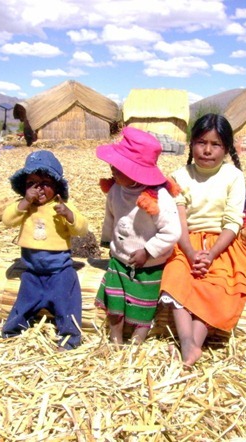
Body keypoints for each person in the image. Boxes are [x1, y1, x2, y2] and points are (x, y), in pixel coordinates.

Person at [159, 113, 246, 367]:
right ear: (191, 144)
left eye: (216, 145)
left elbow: (233, 221)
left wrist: (210, 254)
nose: (207, 150)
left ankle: (191, 345)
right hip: (185, 241)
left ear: (226, 148)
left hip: (224, 244)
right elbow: (177, 219)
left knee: (214, 283)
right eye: (202, 142)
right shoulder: (178, 176)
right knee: (176, 275)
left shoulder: (233, 176)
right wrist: (190, 252)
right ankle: (188, 342)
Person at [95, 127, 181, 345]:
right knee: (114, 303)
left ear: (135, 171)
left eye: (119, 166)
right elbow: (110, 218)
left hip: (148, 265)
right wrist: (107, 242)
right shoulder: (116, 190)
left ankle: (137, 341)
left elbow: (172, 231)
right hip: (119, 260)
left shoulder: (158, 197)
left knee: (144, 306)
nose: (112, 168)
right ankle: (115, 337)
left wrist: (148, 251)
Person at [1, 150, 89, 350]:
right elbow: (7, 220)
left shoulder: (62, 207)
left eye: (45, 184)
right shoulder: (24, 207)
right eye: (32, 184)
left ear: (56, 186)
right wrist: (24, 202)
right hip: (32, 271)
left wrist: (69, 215)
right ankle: (12, 334)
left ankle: (69, 339)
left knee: (67, 304)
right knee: (23, 304)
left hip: (60, 270)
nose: (38, 190)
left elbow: (82, 229)